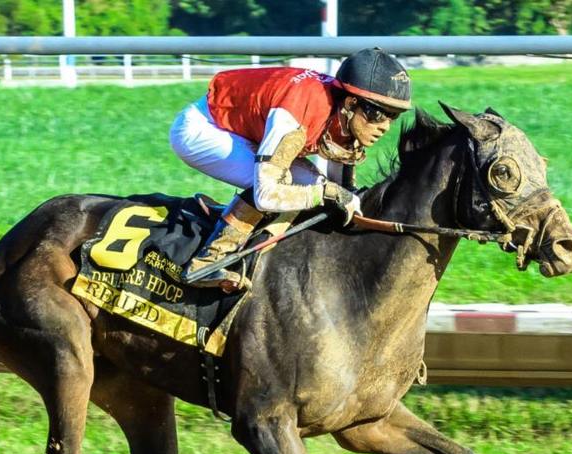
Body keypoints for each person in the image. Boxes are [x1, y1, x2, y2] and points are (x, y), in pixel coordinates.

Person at [169, 48, 412, 289]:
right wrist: (329, 194)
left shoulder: (341, 109)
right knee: (282, 187)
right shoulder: (298, 112)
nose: (385, 127)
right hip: (202, 129)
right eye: (379, 114)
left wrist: (342, 194)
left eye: (394, 116)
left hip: (246, 128)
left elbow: (341, 188)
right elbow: (266, 195)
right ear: (351, 102)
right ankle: (206, 263)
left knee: (316, 187)